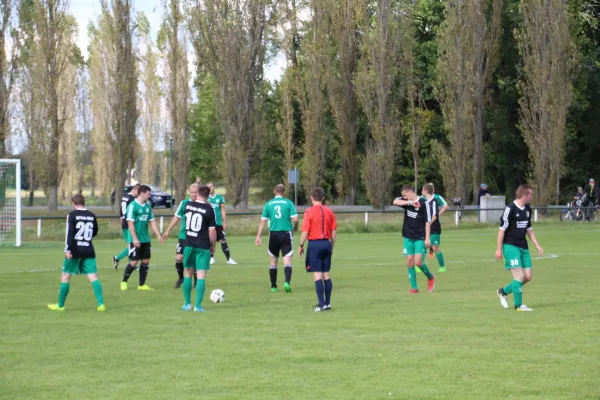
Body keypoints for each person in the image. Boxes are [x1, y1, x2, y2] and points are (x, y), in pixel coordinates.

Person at [48, 194, 104, 312]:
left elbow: (70, 233)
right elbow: (95, 231)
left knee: (65, 277)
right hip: (88, 249)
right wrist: (86, 239)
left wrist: (67, 249)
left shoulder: (72, 215)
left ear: (73, 204)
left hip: (75, 250)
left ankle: (60, 306)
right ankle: (101, 304)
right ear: (84, 203)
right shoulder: (91, 215)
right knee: (93, 277)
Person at [495, 184, 543, 312]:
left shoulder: (527, 210)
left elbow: (529, 229)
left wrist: (537, 245)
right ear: (524, 195)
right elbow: (501, 230)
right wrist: (499, 249)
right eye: (531, 194)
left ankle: (503, 291)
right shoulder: (509, 209)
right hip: (511, 247)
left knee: (527, 277)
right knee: (519, 277)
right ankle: (518, 306)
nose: (532, 197)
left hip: (523, 247)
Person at [298, 187, 336, 312]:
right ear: (323, 197)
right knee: (326, 274)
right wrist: (331, 247)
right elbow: (333, 232)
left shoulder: (309, 212)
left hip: (314, 244)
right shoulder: (330, 212)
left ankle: (321, 304)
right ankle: (328, 303)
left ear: (311, 197)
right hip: (326, 243)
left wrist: (301, 245)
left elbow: (305, 231)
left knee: (317, 275)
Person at [255, 184, 299, 293]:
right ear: (283, 192)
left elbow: (262, 222)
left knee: (273, 261)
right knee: (287, 260)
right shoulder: (288, 203)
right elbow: (296, 219)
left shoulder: (268, 204)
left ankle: (273, 286)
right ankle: (286, 283)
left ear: (275, 191)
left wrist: (258, 236)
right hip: (286, 234)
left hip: (273, 234)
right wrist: (295, 228)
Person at [120, 185, 164, 291]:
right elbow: (130, 224)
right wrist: (135, 239)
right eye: (149, 193)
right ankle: (124, 281)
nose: (150, 195)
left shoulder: (147, 207)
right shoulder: (132, 206)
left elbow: (152, 222)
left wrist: (158, 234)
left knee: (145, 261)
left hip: (145, 239)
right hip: (135, 238)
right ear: (142, 193)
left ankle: (141, 285)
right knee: (134, 261)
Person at [181, 185, 217, 312]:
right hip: (202, 245)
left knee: (187, 273)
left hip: (188, 244)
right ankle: (197, 306)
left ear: (198, 194)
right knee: (201, 275)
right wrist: (213, 246)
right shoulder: (209, 210)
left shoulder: (187, 206)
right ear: (207, 196)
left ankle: (186, 304)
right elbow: (212, 232)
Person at [393, 185, 435, 294]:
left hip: (420, 237)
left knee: (418, 262)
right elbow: (395, 202)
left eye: (404, 195)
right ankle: (414, 288)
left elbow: (427, 222)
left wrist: (427, 238)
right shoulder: (407, 202)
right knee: (409, 261)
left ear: (410, 192)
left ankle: (430, 277)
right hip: (408, 236)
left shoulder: (425, 203)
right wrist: (410, 203)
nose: (404, 197)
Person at [163, 184, 199, 289]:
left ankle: (196, 281)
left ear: (199, 192)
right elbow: (176, 217)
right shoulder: (184, 203)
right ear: (189, 192)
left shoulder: (203, 204)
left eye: (195, 192)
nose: (193, 194)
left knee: (195, 258)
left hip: (197, 236)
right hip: (184, 235)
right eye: (192, 192)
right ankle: (181, 278)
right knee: (179, 257)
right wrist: (168, 230)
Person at [207, 182, 237, 265]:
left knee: (223, 240)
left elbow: (223, 211)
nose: (210, 188)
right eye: (208, 187)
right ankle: (211, 257)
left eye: (211, 186)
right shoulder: (205, 198)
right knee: (210, 241)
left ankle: (228, 259)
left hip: (218, 223)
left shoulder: (220, 198)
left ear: (214, 187)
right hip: (209, 224)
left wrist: (225, 222)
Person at [113, 183, 140, 269]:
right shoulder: (132, 199)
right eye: (139, 192)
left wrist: (122, 222)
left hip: (124, 223)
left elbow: (121, 212)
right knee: (133, 245)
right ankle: (117, 258)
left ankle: (130, 264)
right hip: (129, 224)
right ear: (135, 190)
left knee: (131, 245)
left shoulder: (125, 197)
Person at [422, 184, 446, 273]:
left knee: (435, 248)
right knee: (424, 245)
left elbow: (435, 215)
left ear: (425, 191)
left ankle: (442, 266)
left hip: (434, 227)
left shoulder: (434, 201)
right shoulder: (423, 200)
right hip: (426, 227)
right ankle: (420, 265)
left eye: (422, 190)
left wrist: (428, 223)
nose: (421, 192)